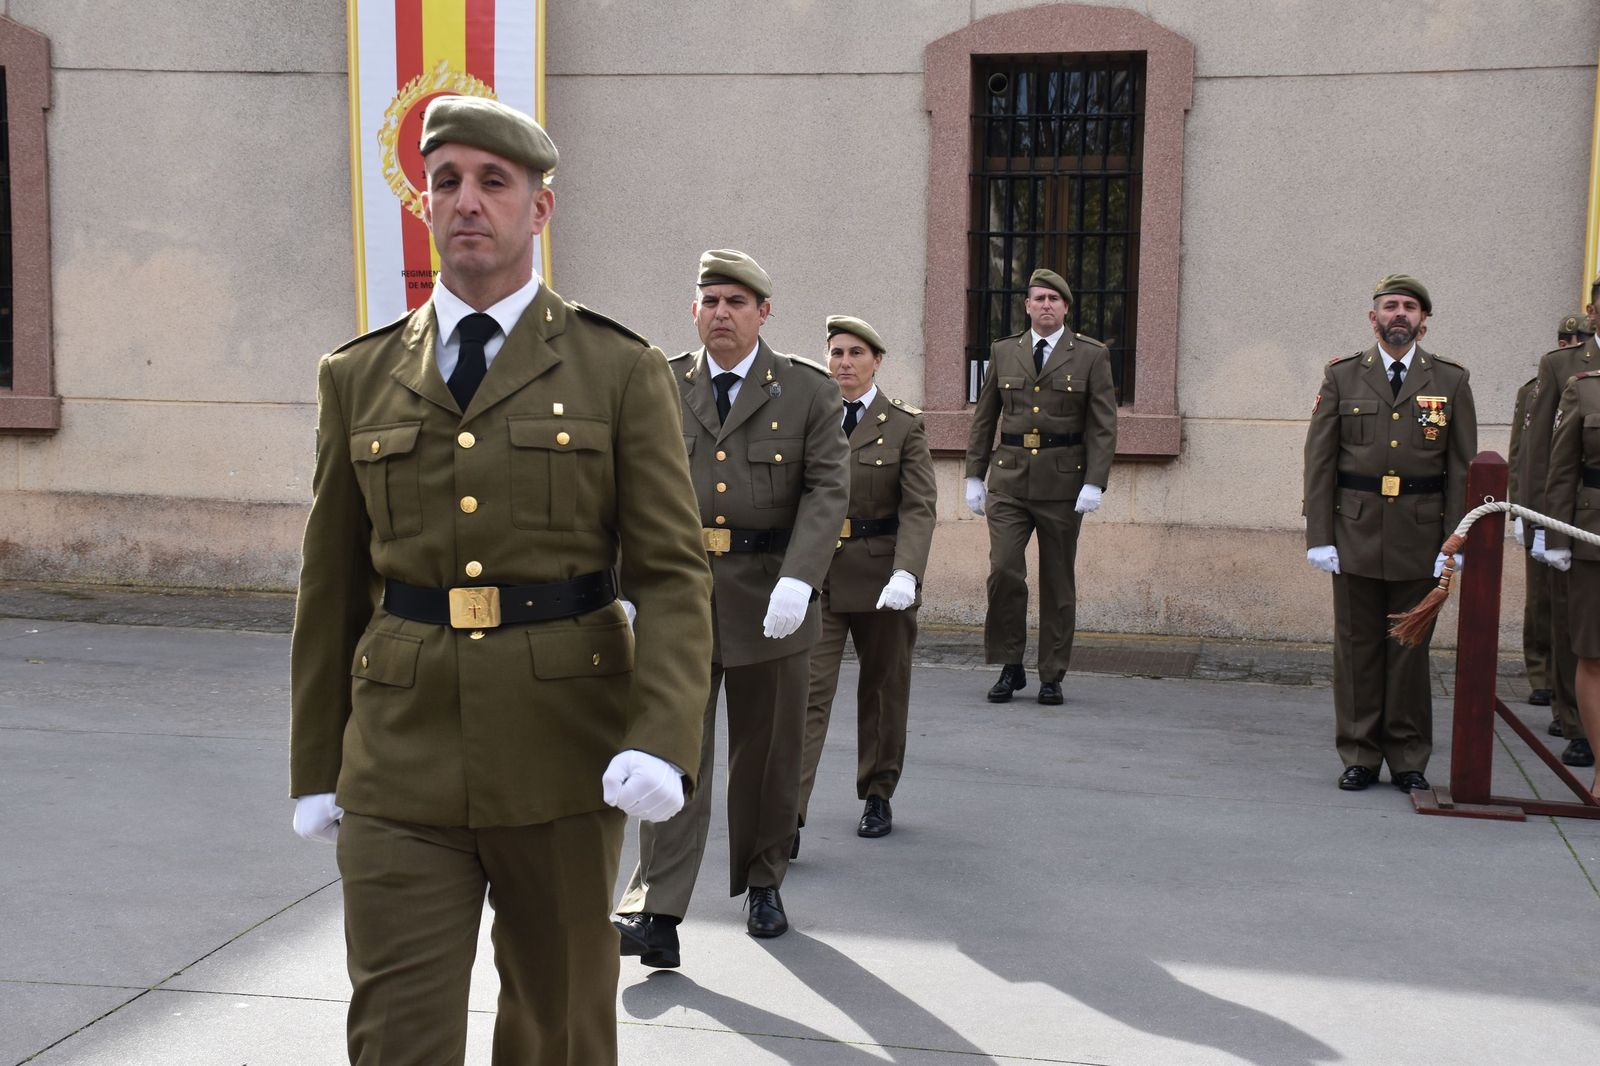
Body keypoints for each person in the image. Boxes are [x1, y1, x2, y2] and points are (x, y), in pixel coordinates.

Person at [287, 95, 712, 1066]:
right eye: (446, 182)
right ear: (424, 207)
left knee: (558, 1027)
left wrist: (663, 735)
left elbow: (671, 574)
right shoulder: (356, 376)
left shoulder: (617, 370)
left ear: (539, 209)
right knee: (394, 1033)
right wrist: (316, 763)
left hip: (564, 752)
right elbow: (331, 586)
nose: (467, 201)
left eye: (493, 181)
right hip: (399, 754)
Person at [614, 249, 849, 962]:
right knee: (670, 751)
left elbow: (829, 489)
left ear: (763, 313)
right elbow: (626, 489)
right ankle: (657, 908)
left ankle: (764, 880)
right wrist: (620, 591)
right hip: (678, 597)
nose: (722, 313)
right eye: (710, 300)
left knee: (769, 755)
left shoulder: (808, 391)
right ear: (694, 309)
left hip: (772, 594)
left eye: (736, 302)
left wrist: (802, 578)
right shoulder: (659, 382)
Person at [1301, 274, 1477, 793]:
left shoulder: (1450, 380)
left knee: (1409, 648)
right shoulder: (1343, 376)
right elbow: (1320, 461)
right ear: (1372, 317)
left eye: (1409, 307)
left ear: (1424, 320)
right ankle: (1359, 753)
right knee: (1356, 647)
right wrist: (1319, 534)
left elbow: (1462, 468)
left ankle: (1407, 757)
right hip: (1353, 530)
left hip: (1421, 536)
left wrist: (1457, 538)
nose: (1399, 314)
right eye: (1389, 306)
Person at [795, 316, 937, 848]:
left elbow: (919, 507)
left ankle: (878, 793)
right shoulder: (812, 417)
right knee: (805, 695)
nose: (844, 363)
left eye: (856, 353)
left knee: (883, 690)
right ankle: (791, 812)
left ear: (877, 361)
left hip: (883, 579)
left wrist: (907, 571)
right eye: (836, 353)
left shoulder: (903, 424)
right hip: (821, 580)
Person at [963, 268, 1118, 705]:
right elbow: (985, 416)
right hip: (1008, 480)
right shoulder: (1004, 350)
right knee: (1005, 571)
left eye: (1054, 298)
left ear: (1066, 307)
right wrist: (975, 474)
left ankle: (1052, 672)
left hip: (1063, 484)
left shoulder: (1090, 355)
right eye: (1038, 299)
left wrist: (1095, 482)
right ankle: (1010, 666)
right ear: (1027, 306)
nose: (1046, 305)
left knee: (1056, 580)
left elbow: (1104, 425)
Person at [1523, 286, 1599, 769]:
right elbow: (1546, 455)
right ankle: (1578, 728)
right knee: (1582, 636)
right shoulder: (1570, 371)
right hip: (1587, 527)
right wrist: (1540, 522)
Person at [1509, 313, 1590, 722]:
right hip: (1564, 514)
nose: (1569, 340)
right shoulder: (1559, 369)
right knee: (1552, 608)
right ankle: (1564, 706)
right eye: (1565, 336)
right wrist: (1534, 517)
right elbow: (1532, 451)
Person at [1541, 367, 1600, 799]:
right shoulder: (1584, 389)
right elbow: (1561, 469)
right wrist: (1558, 539)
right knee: (1594, 655)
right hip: (1592, 540)